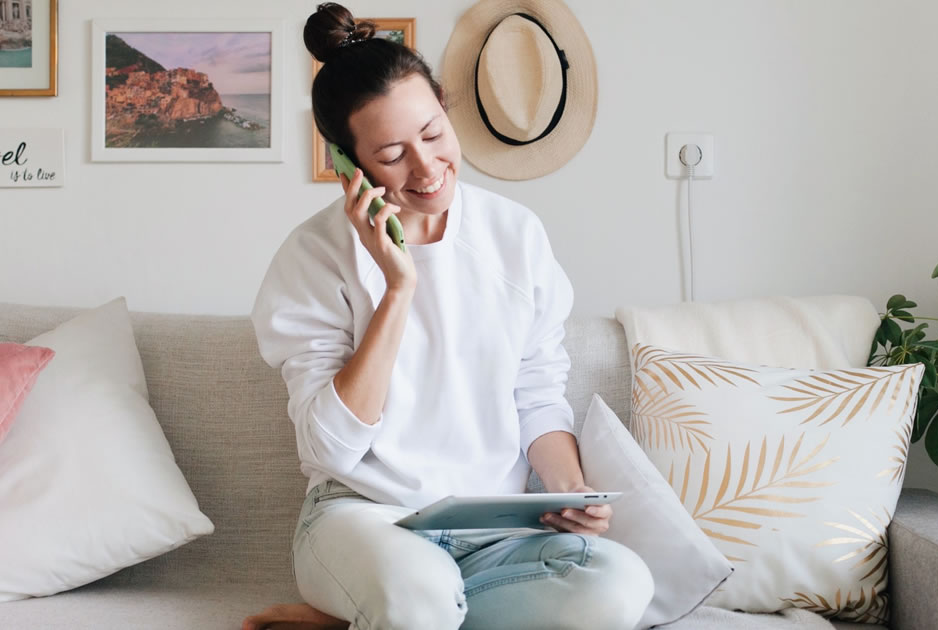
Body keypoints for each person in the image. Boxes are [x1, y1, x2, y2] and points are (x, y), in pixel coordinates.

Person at [244, 4, 653, 629]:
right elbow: (330, 448)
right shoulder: (312, 256)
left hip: (495, 531)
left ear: (443, 104)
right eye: (392, 154)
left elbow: (538, 395)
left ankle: (359, 620)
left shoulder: (515, 234)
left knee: (620, 585)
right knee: (419, 590)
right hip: (362, 519)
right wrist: (398, 288)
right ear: (349, 166)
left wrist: (571, 496)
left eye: (433, 133)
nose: (428, 168)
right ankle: (394, 608)